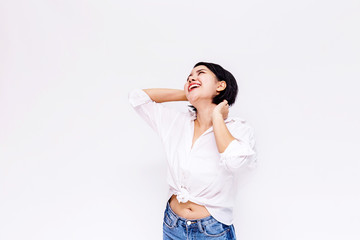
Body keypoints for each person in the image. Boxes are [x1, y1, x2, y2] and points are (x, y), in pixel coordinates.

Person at [128, 62, 257, 239]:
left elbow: (234, 162)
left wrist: (217, 117)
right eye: (189, 77)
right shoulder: (176, 122)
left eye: (200, 73)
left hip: (212, 230)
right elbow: (137, 98)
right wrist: (189, 94)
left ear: (220, 85)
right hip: (173, 224)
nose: (191, 77)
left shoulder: (238, 129)